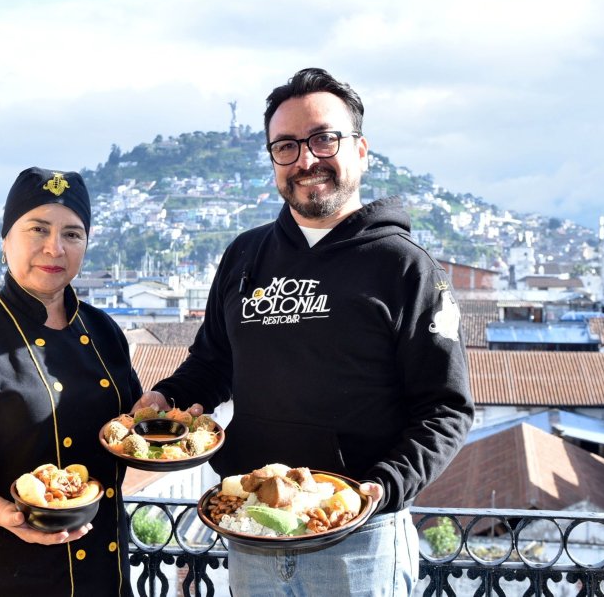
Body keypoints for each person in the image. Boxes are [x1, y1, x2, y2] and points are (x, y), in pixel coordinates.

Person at [136, 68, 474, 596]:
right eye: (286, 146)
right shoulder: (245, 256)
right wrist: (167, 397)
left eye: (323, 139)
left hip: (359, 541)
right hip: (251, 528)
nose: (306, 160)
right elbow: (212, 365)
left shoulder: (406, 268)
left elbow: (446, 409)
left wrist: (380, 489)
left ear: (361, 150)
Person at [0, 167, 141, 596]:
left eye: (72, 234)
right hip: (9, 569)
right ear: (5, 241)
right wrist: (11, 516)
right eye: (38, 229)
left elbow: (129, 433)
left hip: (105, 570)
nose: (55, 247)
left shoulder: (105, 330)